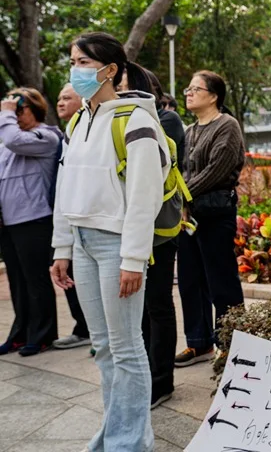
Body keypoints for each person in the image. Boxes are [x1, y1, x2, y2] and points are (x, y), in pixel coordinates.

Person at [50, 32, 169, 451]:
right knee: (102, 348)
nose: (75, 69)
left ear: (110, 69)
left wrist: (134, 258)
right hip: (81, 242)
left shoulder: (135, 120)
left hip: (116, 245)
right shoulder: (79, 120)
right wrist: (61, 247)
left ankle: (126, 444)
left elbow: (144, 196)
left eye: (83, 62)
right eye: (73, 61)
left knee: (126, 348)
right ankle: (117, 438)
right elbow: (65, 187)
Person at [118, 65, 185, 408]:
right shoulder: (114, 119)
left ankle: (162, 380)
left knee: (157, 305)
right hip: (130, 228)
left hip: (158, 229)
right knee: (141, 308)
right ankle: (145, 375)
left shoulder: (162, 119)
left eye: (121, 83)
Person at [174, 70, 245, 368]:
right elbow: (181, 169)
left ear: (213, 95)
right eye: (188, 88)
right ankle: (198, 342)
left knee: (221, 282)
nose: (189, 93)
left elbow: (215, 170)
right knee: (190, 280)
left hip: (215, 214)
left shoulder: (226, 126)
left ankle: (230, 343)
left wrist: (180, 196)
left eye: (195, 88)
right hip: (189, 215)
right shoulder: (189, 130)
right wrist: (182, 201)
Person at [0, 88, 61, 357]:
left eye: (18, 109)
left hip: (35, 218)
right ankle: (20, 333)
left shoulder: (46, 136)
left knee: (36, 280)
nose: (13, 115)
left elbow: (13, 140)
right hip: (9, 222)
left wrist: (6, 114)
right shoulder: (9, 139)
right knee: (17, 281)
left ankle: (43, 334)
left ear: (34, 109)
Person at [50, 84, 92, 350]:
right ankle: (86, 329)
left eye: (67, 97)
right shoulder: (69, 133)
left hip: (96, 227)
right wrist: (61, 247)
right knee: (71, 280)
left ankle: (90, 330)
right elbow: (63, 188)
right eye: (59, 98)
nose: (60, 102)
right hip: (69, 223)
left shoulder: (93, 130)